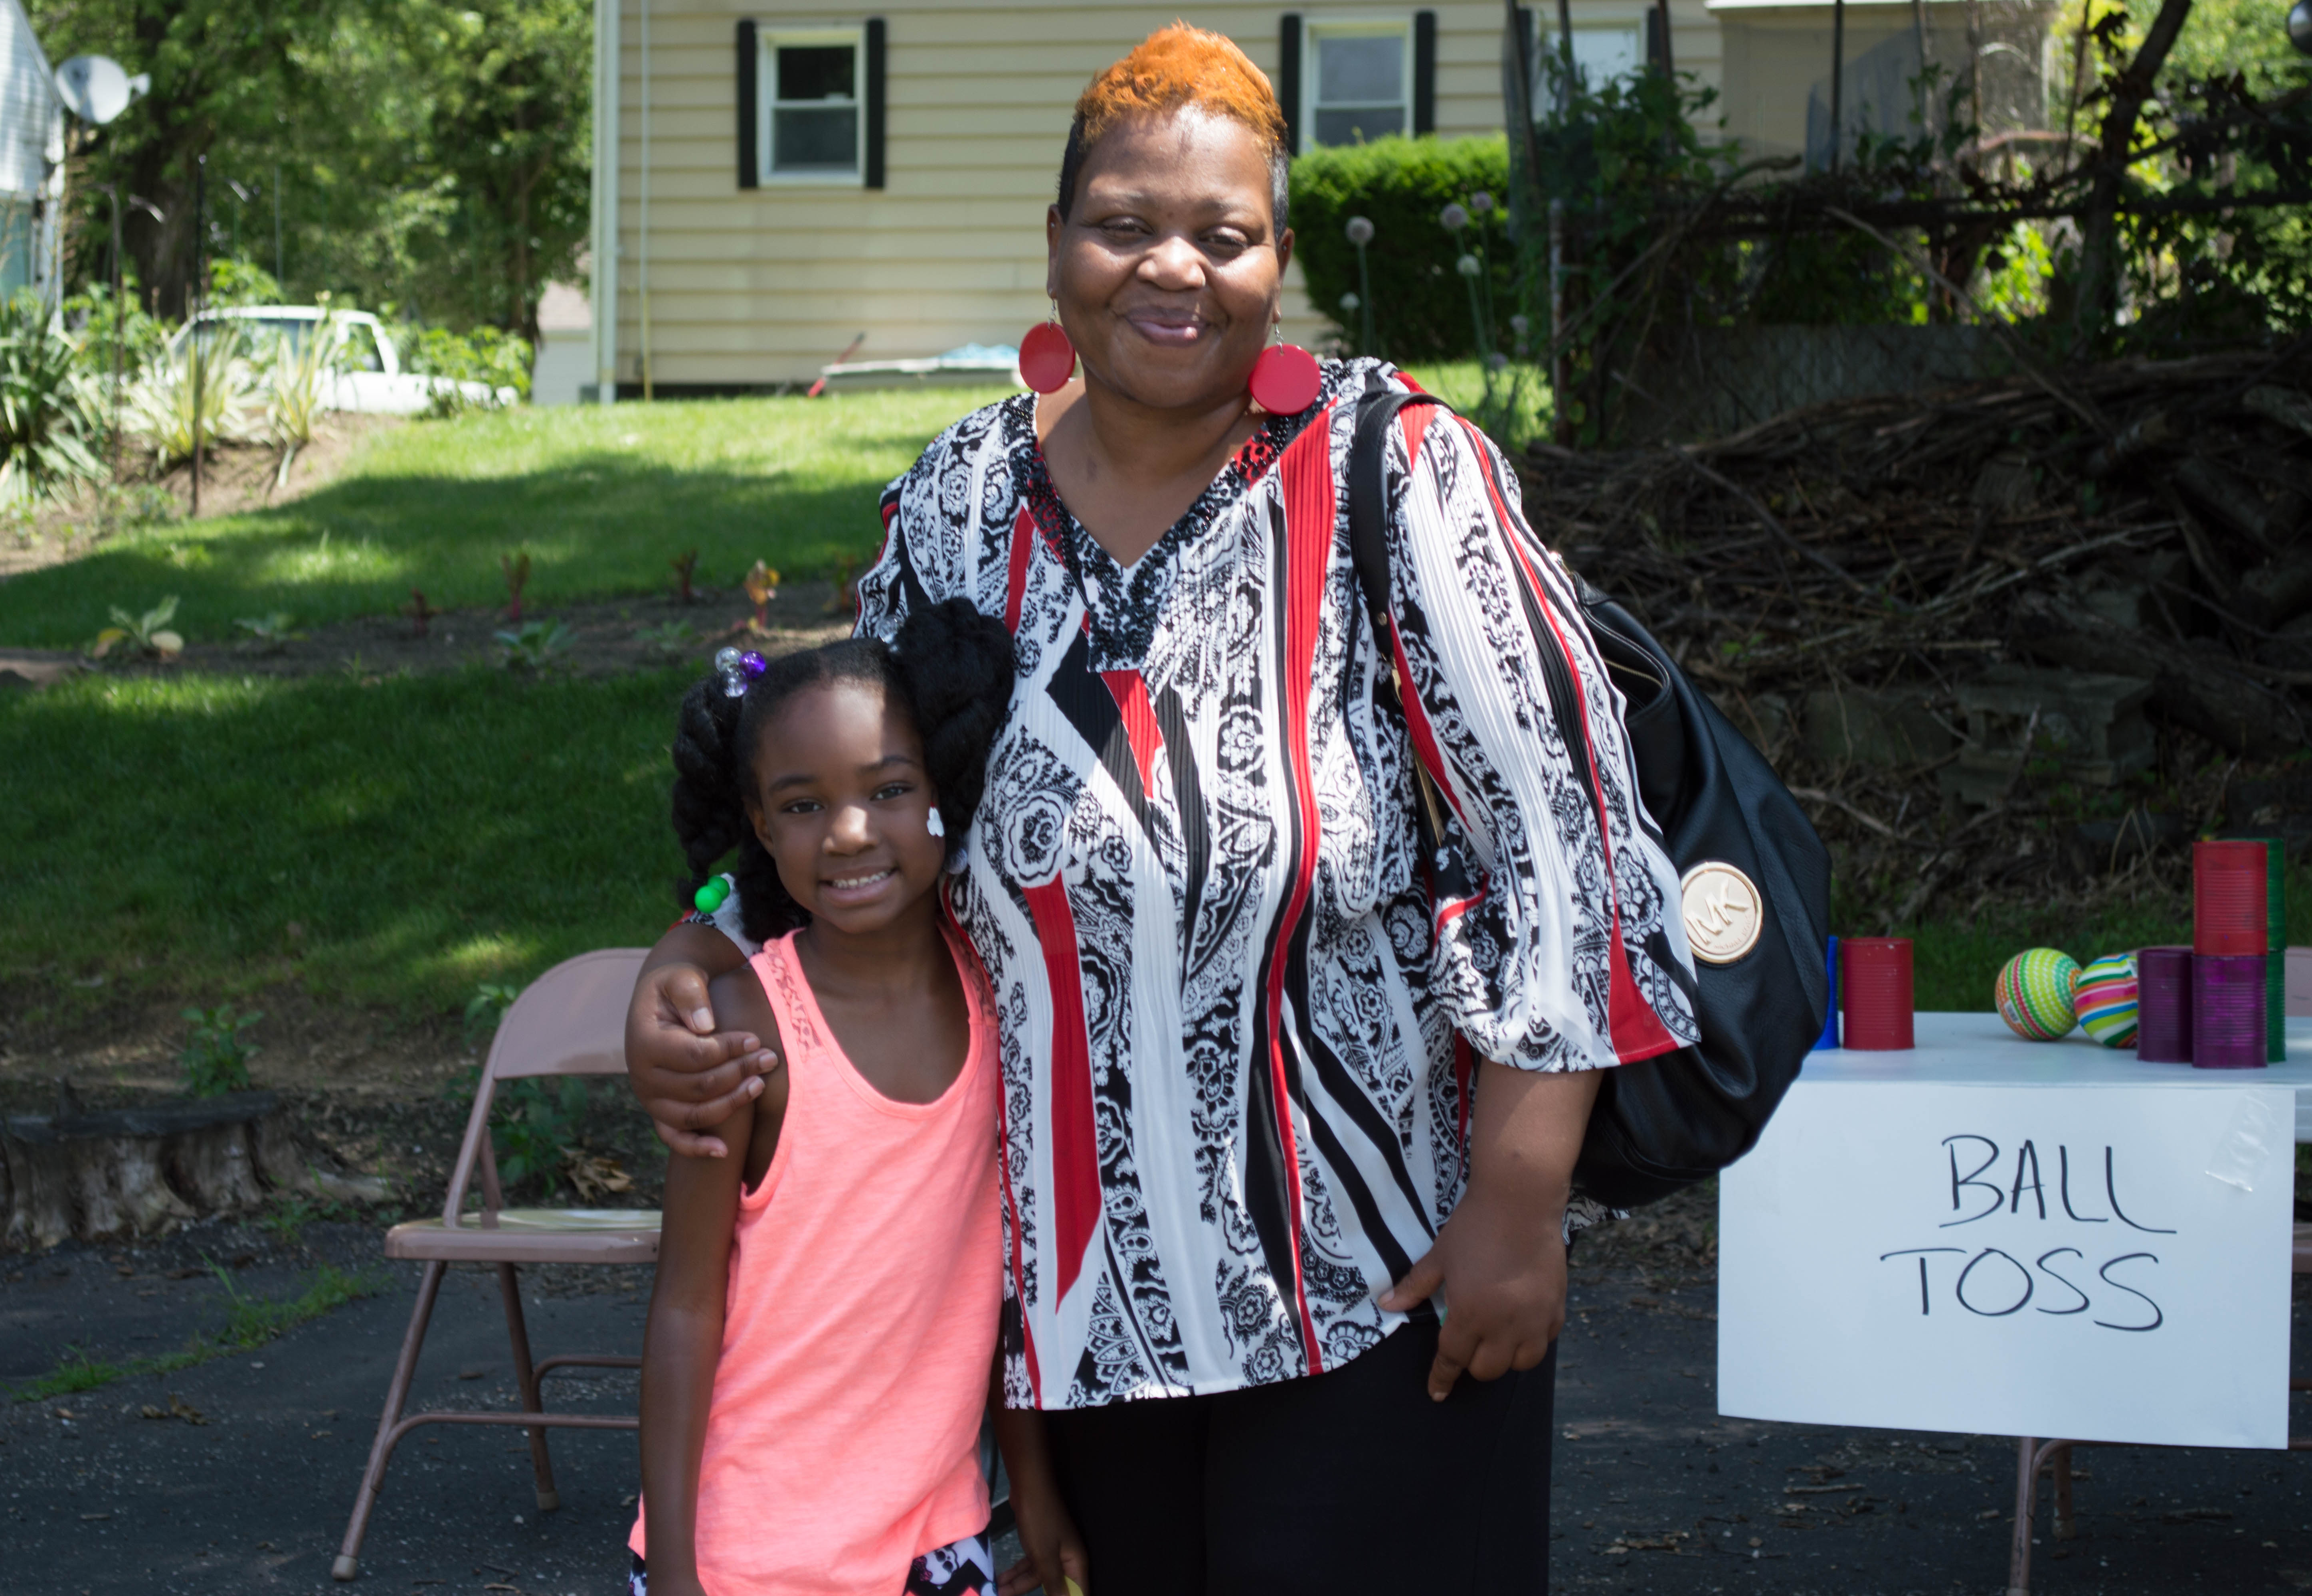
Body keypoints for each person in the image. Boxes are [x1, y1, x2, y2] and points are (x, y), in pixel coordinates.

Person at [626, 24, 1699, 1594]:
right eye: (1125, 224)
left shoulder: (1394, 477)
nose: (1170, 269)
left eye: (1224, 233)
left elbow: (1566, 835)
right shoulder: (957, 505)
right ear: (1058, 246)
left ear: (1279, 261)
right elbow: (844, 794)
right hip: (1078, 1325)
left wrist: (1520, 1203)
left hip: (1383, 1288)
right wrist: (693, 949)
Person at [631, 603, 1087, 1596]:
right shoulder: (746, 1032)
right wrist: (672, 1567)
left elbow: (999, 1286)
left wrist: (1036, 1499)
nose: (847, 831)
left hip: (936, 1544)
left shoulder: (1002, 1000)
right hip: (745, 1554)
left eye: (888, 789)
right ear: (758, 823)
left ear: (943, 792)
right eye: (801, 805)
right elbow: (681, 1305)